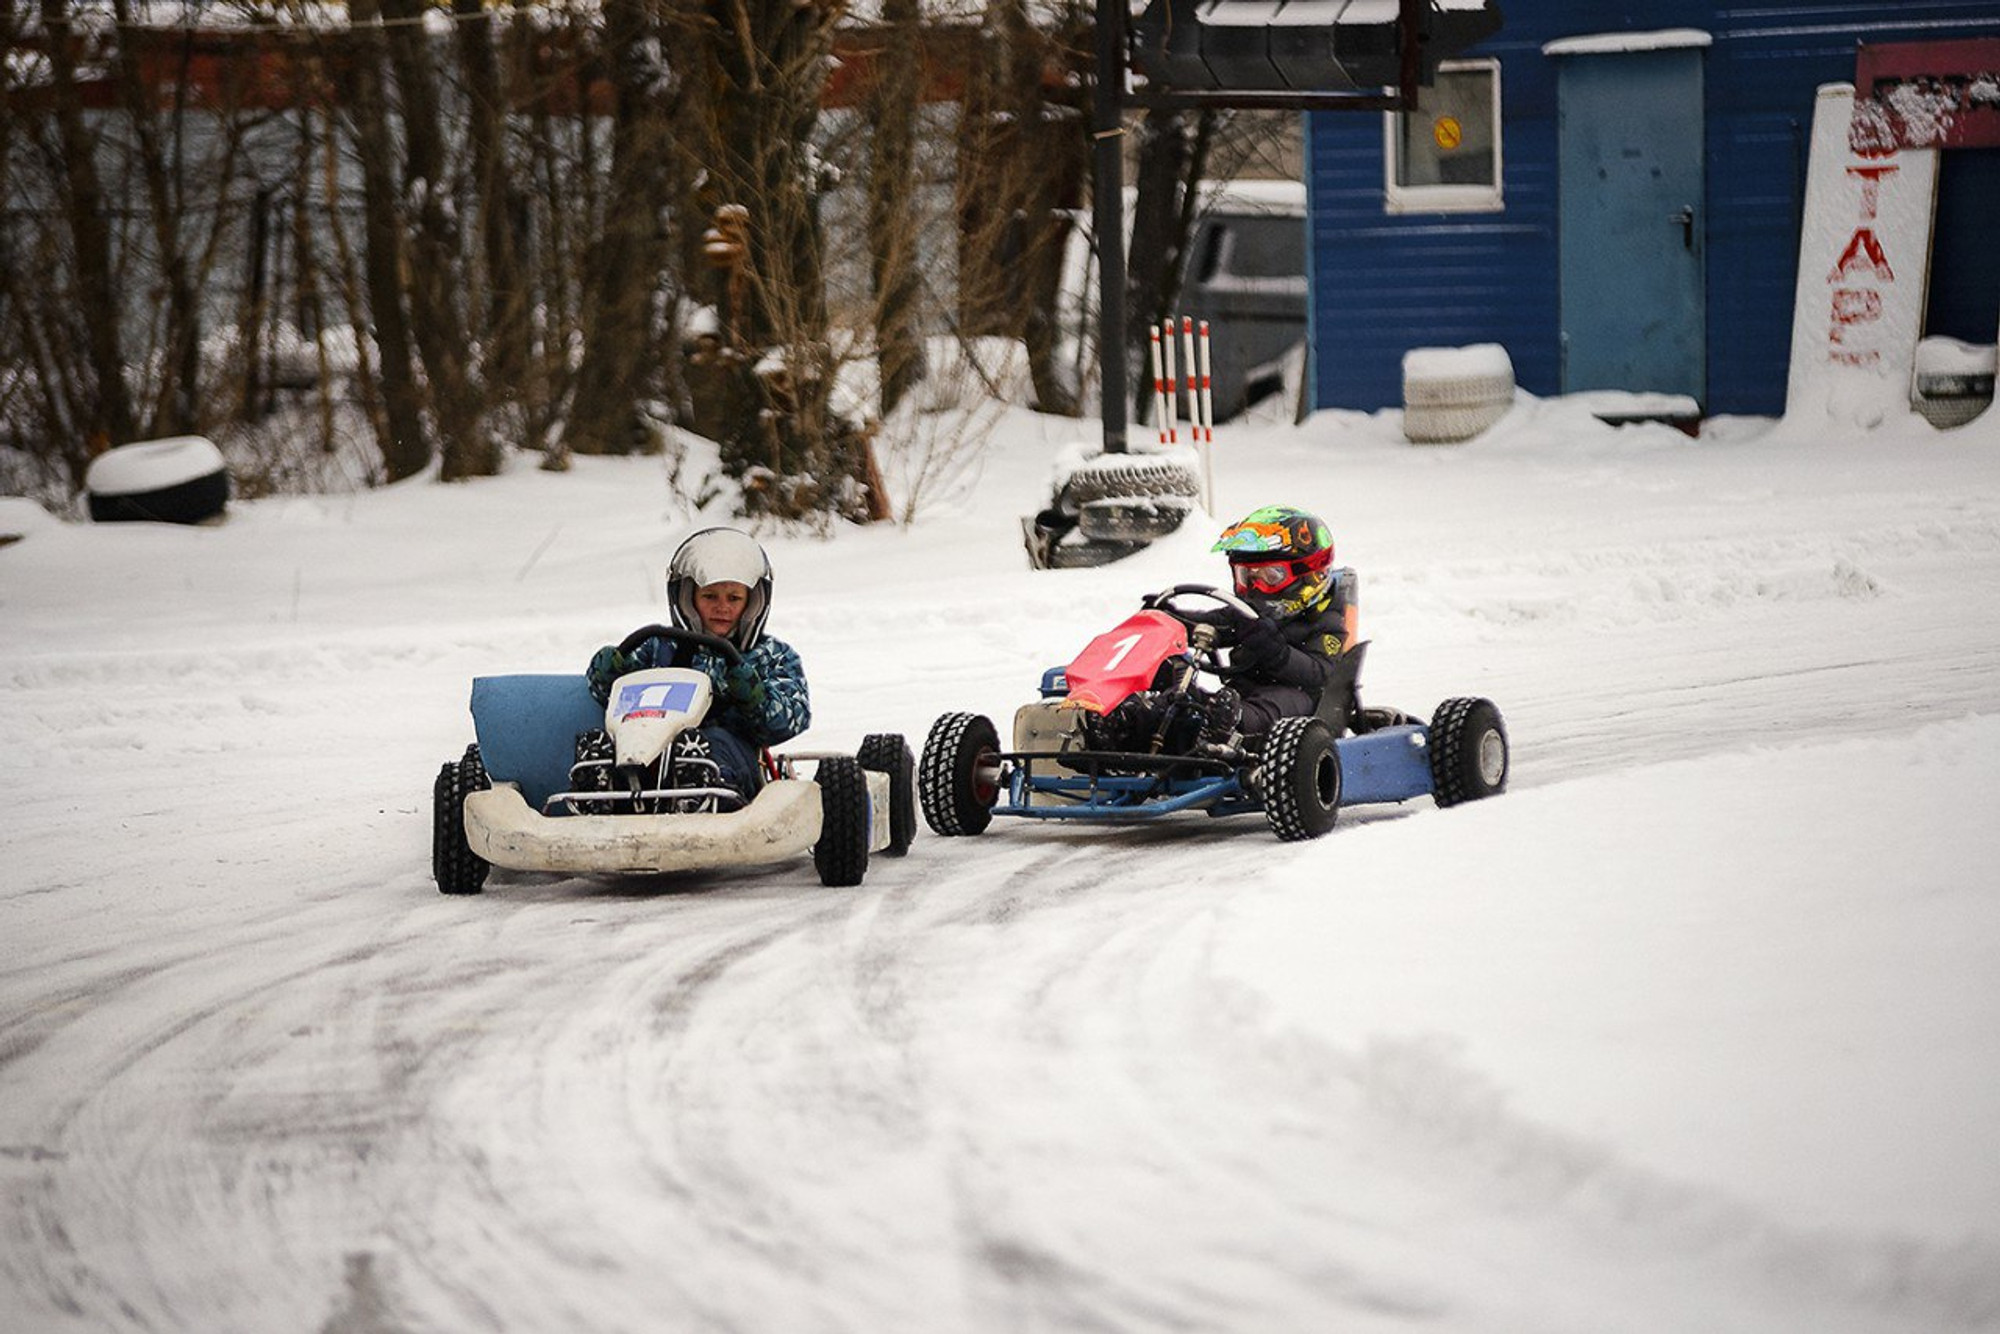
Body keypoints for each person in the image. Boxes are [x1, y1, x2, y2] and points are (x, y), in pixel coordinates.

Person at [1096, 505, 1350, 752]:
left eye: (1270, 577)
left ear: (1310, 573)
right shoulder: (1249, 612)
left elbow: (1320, 673)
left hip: (1299, 703)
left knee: (1270, 705)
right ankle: (1130, 723)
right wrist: (1172, 617)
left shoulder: (1326, 621)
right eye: (1247, 576)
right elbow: (1211, 624)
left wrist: (1277, 653)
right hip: (1237, 695)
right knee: (1182, 695)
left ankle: (1232, 723)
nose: (1256, 587)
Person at [584, 527, 810, 795]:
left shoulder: (771, 655)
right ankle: (599, 787)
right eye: (710, 596)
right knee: (605, 741)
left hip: (733, 761)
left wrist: (754, 699)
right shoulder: (656, 647)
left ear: (752, 603)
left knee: (709, 742)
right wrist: (607, 672)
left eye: (734, 598)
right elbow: (607, 695)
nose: (722, 607)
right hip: (647, 751)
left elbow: (793, 717)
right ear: (688, 599)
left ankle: (699, 785)